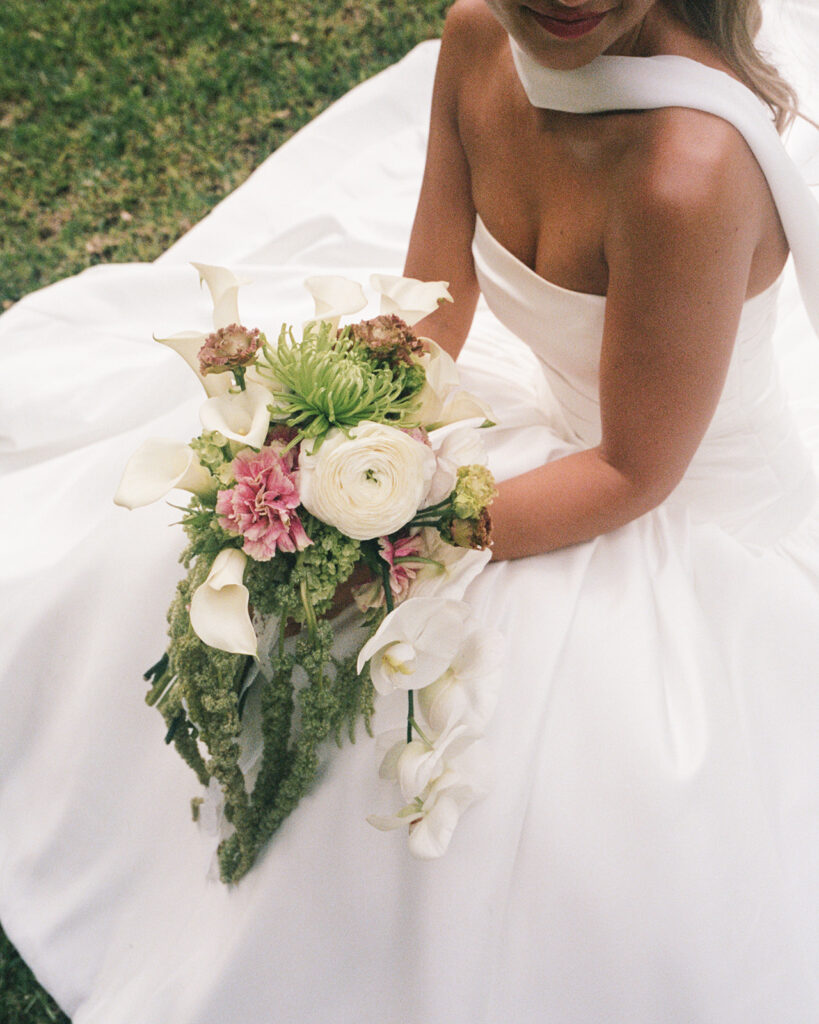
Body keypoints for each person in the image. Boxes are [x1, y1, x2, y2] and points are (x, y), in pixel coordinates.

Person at [0, 1, 817, 1022]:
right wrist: (334, 436)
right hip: (565, 439)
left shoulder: (685, 173)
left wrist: (403, 539)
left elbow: (629, 472)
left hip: (669, 504)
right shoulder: (480, 38)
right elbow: (437, 297)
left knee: (527, 773)